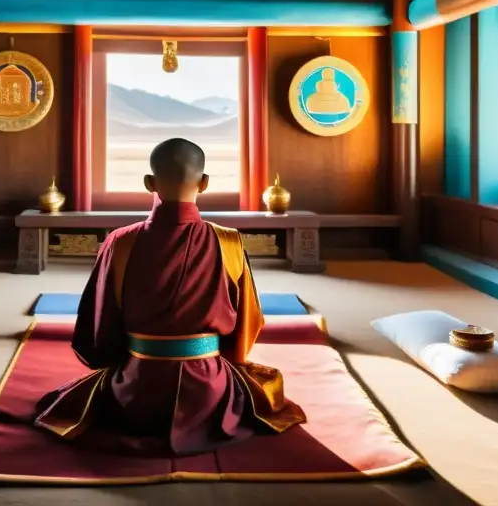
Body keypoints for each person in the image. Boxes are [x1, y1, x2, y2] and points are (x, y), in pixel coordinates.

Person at [34, 138, 306, 455]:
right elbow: (248, 320)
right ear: (204, 183)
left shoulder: (120, 242)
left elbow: (98, 323)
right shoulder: (228, 242)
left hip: (135, 392)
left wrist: (118, 360)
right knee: (266, 387)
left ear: (149, 183)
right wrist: (229, 361)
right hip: (209, 391)